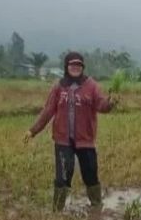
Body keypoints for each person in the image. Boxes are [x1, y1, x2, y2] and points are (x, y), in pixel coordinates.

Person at [23, 52, 115, 211]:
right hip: (63, 140)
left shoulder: (91, 85)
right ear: (66, 67)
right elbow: (48, 111)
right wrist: (32, 131)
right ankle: (57, 210)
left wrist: (110, 103)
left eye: (78, 65)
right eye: (72, 65)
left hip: (85, 138)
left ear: (82, 67)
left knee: (90, 172)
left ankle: (96, 205)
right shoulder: (59, 87)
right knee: (63, 175)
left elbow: (101, 105)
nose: (75, 68)